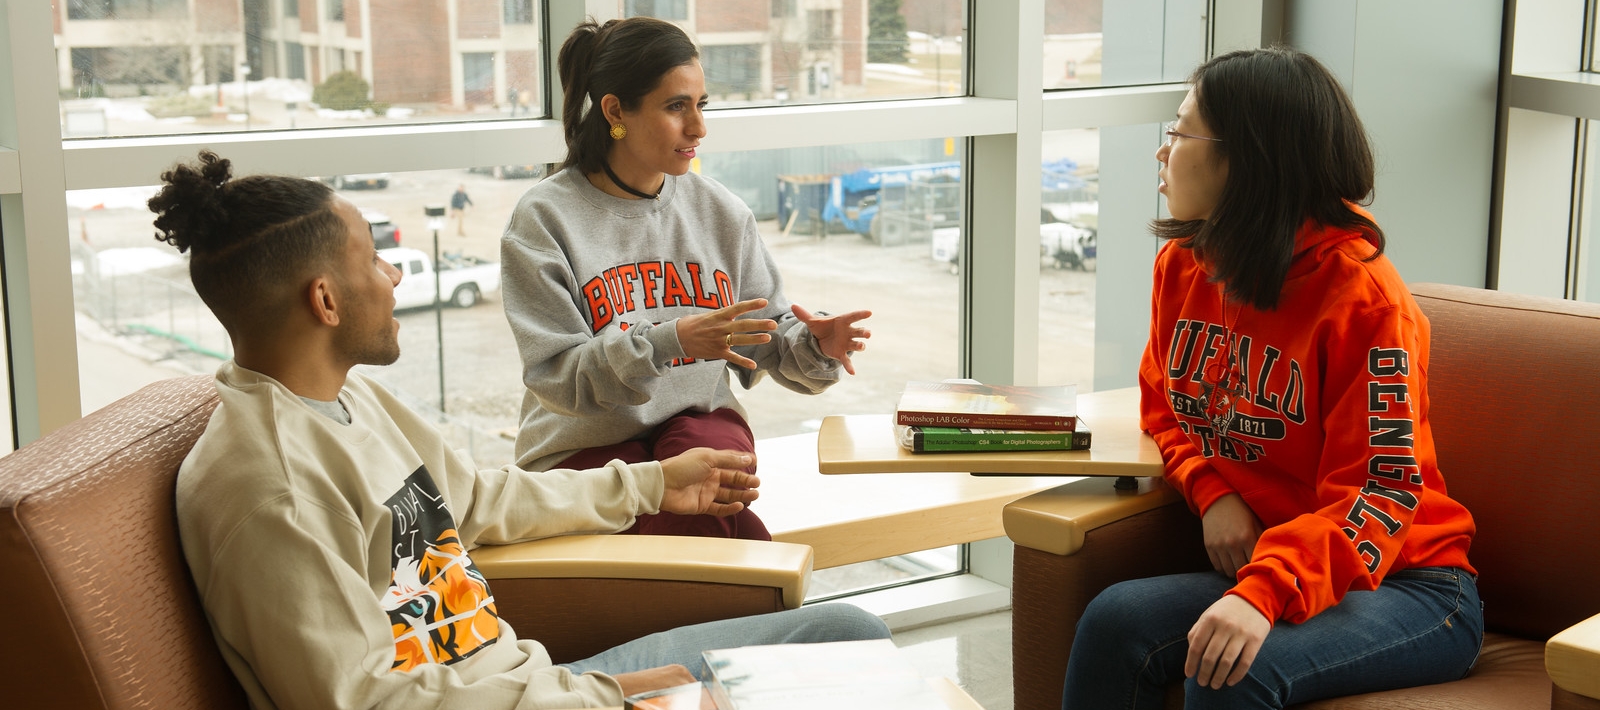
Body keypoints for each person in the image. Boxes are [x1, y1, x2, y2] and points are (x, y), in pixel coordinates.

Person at [152, 150, 890, 710]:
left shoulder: (354, 404)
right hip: (545, 701)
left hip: (537, 684)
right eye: (373, 260)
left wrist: (657, 482)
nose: (394, 275)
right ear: (325, 300)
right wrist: (612, 697)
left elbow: (483, 501)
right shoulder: (270, 491)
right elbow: (367, 701)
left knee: (849, 635)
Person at [1059, 47, 1482, 709]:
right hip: (1281, 562)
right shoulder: (1185, 264)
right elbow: (1162, 403)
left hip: (1410, 585)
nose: (1161, 151)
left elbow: (1381, 492)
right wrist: (1210, 490)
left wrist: (1264, 591)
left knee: (1232, 672)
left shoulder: (1363, 299)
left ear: (1245, 157)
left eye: (1179, 131)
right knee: (1116, 622)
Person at [499, 17, 872, 541]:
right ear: (614, 111)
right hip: (583, 447)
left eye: (701, 105)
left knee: (706, 458)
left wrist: (814, 345)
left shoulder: (721, 211)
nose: (698, 128)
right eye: (676, 106)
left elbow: (766, 342)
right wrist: (671, 342)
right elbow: (557, 378)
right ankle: (763, 600)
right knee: (688, 513)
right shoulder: (544, 220)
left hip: (699, 428)